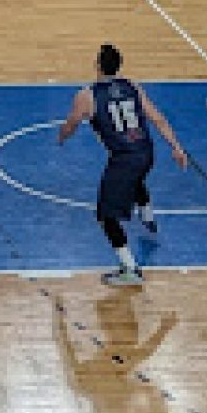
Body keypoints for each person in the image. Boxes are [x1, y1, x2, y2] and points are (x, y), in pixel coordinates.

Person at [58, 44, 188, 287]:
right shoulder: (132, 86)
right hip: (146, 153)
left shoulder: (86, 95)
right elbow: (158, 119)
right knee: (136, 177)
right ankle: (147, 213)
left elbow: (72, 123)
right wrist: (176, 147)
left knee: (105, 216)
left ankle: (130, 269)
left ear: (97, 65)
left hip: (125, 159)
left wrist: (62, 136)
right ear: (119, 67)